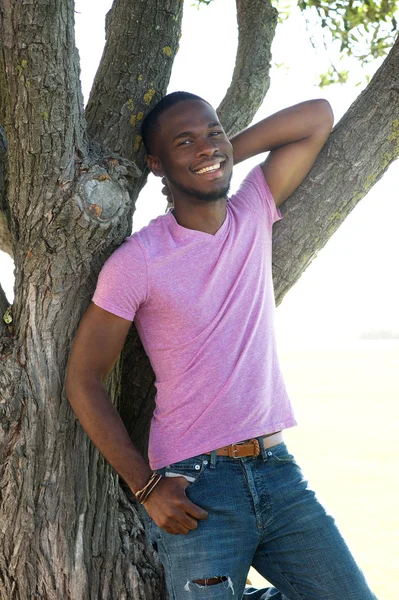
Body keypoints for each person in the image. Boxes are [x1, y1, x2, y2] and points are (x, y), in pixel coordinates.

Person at [66, 92, 377, 599]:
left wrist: (224, 149)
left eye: (213, 132)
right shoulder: (138, 260)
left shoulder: (252, 209)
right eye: (183, 142)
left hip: (279, 474)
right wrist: (144, 487)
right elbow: (82, 378)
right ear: (156, 163)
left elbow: (317, 117)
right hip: (195, 489)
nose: (205, 147)